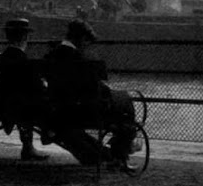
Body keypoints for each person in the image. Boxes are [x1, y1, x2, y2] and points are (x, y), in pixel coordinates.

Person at [45, 19, 137, 165]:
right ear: (81, 39)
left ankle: (114, 154)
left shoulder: (50, 56)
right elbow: (93, 89)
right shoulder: (81, 59)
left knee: (122, 108)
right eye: (87, 42)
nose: (86, 46)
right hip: (81, 112)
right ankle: (120, 154)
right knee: (126, 115)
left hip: (57, 109)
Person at [0, 18, 48, 161]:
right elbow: (37, 87)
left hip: (4, 104)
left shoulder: (0, 59)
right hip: (23, 107)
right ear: (24, 37)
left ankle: (29, 146)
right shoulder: (25, 61)